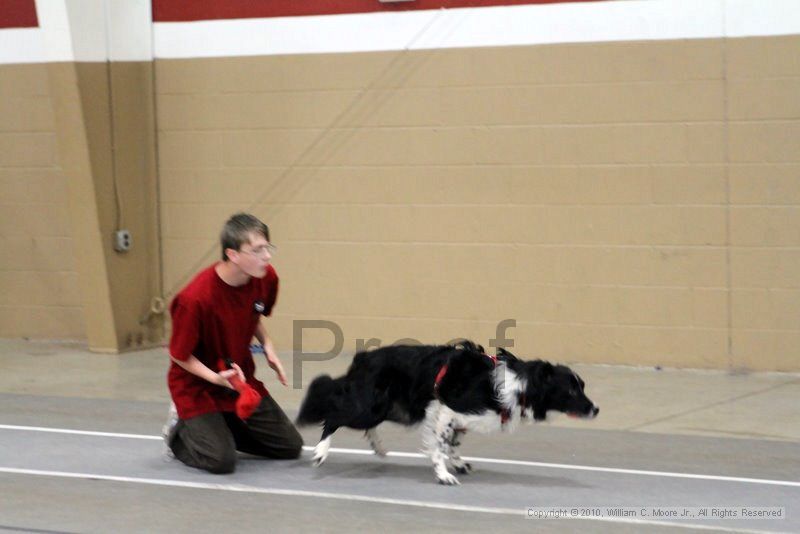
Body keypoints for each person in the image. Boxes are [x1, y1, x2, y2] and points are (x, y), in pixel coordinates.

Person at [162, 213, 303, 473]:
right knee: (221, 461)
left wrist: (268, 345)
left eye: (268, 248)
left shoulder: (266, 278)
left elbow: (254, 313)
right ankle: (179, 433)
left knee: (289, 447)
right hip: (198, 386)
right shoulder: (195, 300)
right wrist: (216, 379)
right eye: (258, 250)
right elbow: (179, 355)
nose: (267, 256)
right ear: (233, 254)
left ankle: (219, 428)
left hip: (239, 380)